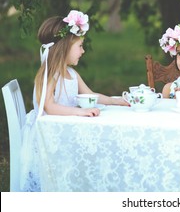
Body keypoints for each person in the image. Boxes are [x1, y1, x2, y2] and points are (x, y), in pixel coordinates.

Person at [20, 10, 129, 192]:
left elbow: (90, 95)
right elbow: (49, 106)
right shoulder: (50, 74)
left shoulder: (71, 74)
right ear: (64, 47)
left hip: (61, 132)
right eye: (80, 46)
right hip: (47, 137)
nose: (83, 51)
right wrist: (80, 112)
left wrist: (116, 100)